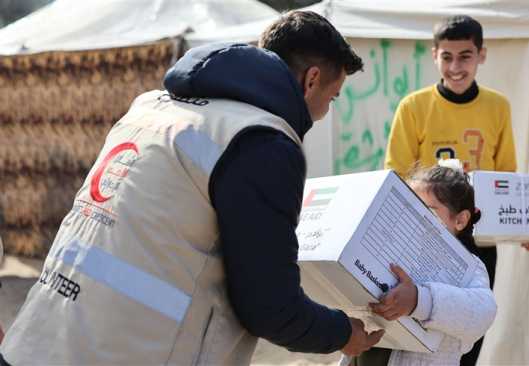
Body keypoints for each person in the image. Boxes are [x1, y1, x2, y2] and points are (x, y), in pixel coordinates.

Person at [0, 11, 384, 365]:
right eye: (330, 99)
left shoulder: (152, 107)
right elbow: (269, 306)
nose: (322, 114)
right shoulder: (261, 143)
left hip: (36, 340)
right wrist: (340, 332)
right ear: (311, 79)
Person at [383, 14, 529, 365]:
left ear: (481, 55)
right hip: (426, 239)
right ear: (434, 55)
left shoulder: (497, 105)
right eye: (447, 57)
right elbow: (394, 179)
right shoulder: (413, 106)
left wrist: (523, 230)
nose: (456, 66)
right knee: (419, 325)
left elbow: (506, 179)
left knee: (468, 330)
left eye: (465, 56)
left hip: (478, 239)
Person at [350, 162, 497, 366]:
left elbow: (482, 312)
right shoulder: (390, 252)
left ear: (461, 220)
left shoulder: (468, 268)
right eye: (410, 209)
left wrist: (418, 301)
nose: (416, 221)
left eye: (428, 212)